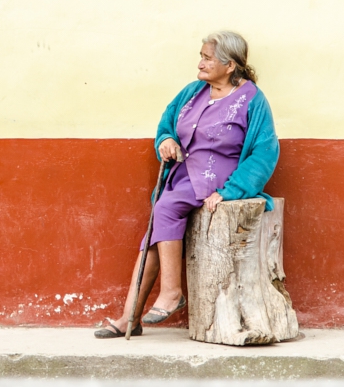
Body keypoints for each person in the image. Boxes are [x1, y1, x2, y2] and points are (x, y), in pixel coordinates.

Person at [94, 31, 280, 338]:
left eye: (208, 58)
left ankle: (170, 293)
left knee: (165, 208)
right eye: (202, 56)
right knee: (155, 231)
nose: (201, 63)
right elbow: (167, 123)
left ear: (230, 65)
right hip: (183, 178)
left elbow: (264, 152)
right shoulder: (193, 92)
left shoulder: (252, 100)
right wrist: (166, 141)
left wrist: (231, 191)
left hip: (218, 182)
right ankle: (131, 318)